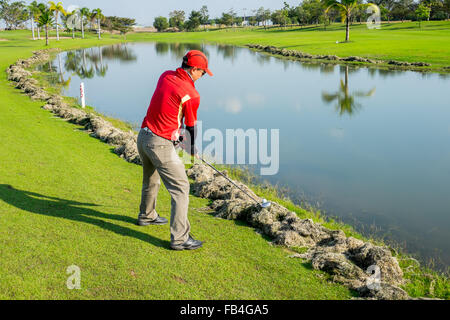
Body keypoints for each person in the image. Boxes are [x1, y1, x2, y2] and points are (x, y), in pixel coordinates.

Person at [137, 50, 213, 251]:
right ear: (194, 69)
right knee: (181, 188)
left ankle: (147, 215)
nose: (203, 76)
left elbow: (167, 108)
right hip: (159, 143)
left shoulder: (166, 75)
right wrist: (191, 147)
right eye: (202, 73)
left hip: (143, 137)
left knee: (151, 179)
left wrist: (176, 136)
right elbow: (190, 126)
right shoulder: (192, 94)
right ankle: (180, 238)